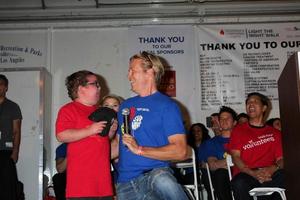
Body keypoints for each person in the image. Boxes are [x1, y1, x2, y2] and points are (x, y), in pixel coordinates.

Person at [115, 51, 190, 200]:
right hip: (125, 184)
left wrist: (140, 150)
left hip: (155, 176)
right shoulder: (125, 106)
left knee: (164, 181)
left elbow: (180, 151)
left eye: (132, 71)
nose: (128, 76)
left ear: (150, 72)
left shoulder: (168, 106)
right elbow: (118, 145)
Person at [55, 70, 113, 199]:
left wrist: (112, 131)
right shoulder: (69, 109)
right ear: (80, 88)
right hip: (81, 186)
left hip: (104, 184)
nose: (100, 87)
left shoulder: (100, 110)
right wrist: (90, 130)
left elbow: (102, 140)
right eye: (95, 84)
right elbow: (61, 135)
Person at [228, 92, 284, 200]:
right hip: (247, 173)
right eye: (248, 102)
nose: (251, 104)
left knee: (287, 175)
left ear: (264, 108)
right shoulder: (238, 130)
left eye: (255, 101)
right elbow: (235, 157)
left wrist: (273, 168)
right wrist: (253, 173)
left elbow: (281, 159)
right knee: (238, 183)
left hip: (270, 173)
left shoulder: (275, 133)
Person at [0, 74, 24, 200]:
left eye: (1, 84)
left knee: (6, 187)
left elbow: (16, 131)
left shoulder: (13, 107)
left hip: (5, 151)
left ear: (6, 87)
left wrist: (15, 152)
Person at [206, 106, 237, 200]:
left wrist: (223, 163)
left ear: (235, 122)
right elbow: (213, 165)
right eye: (221, 118)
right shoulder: (211, 143)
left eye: (228, 118)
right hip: (224, 176)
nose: (224, 120)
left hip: (242, 174)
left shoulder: (243, 139)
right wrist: (235, 160)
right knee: (220, 173)